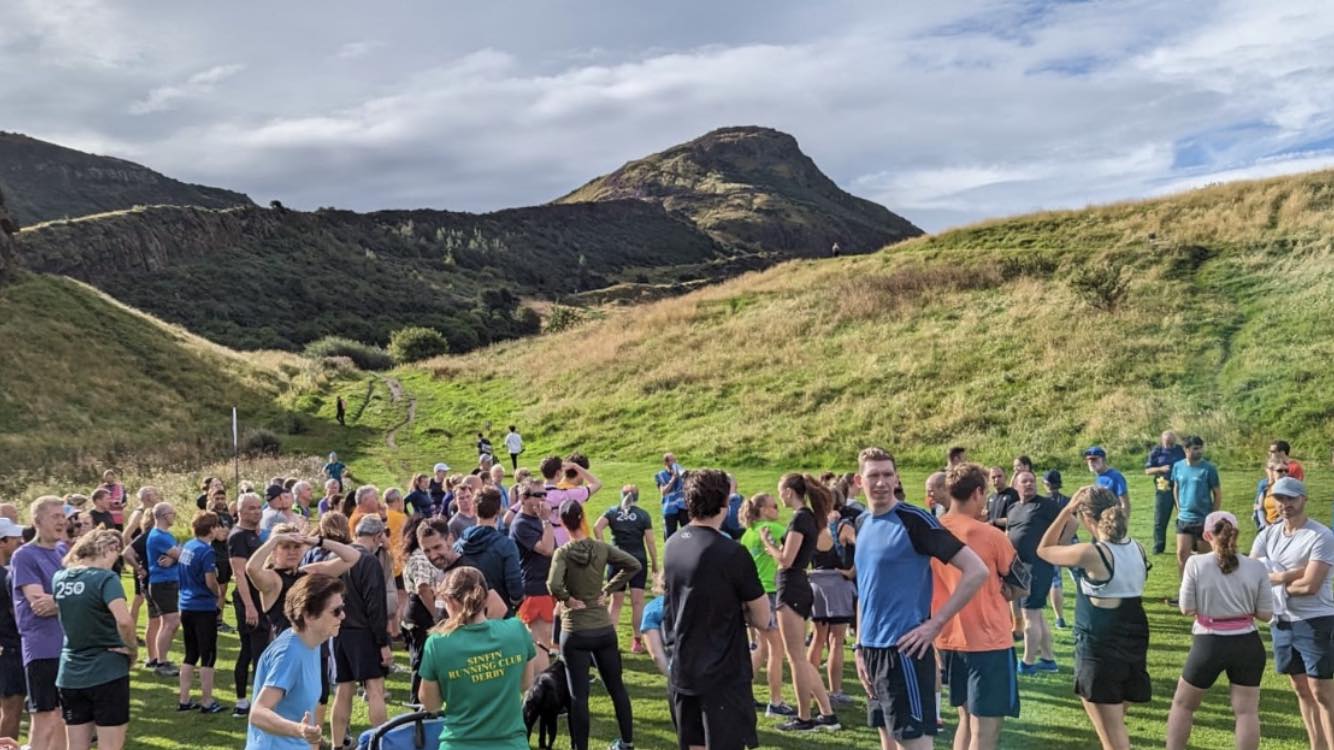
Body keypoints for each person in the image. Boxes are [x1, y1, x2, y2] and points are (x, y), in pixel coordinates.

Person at [852, 448, 987, 750]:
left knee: (914, 744)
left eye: (888, 474)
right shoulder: (861, 523)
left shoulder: (914, 520)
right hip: (871, 652)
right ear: (859, 481)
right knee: (889, 742)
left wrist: (935, 624)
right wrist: (860, 646)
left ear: (896, 477)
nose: (881, 482)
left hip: (905, 651)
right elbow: (865, 589)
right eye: (873, 475)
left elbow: (976, 571)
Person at [662, 469, 773, 750]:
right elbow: (763, 616)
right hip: (722, 675)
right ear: (725, 503)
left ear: (688, 501)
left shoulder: (672, 544)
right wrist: (740, 610)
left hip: (683, 668)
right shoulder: (732, 552)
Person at [1037, 485, 1150, 750]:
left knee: (1113, 737)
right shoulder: (1139, 548)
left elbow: (1044, 550)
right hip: (1134, 640)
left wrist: (1066, 509)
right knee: (1114, 726)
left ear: (1087, 519)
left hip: (1101, 646)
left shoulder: (1091, 553)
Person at [1166, 511, 1272, 750]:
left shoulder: (1195, 563)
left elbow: (1186, 608)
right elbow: (1266, 614)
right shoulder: (1256, 567)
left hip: (1209, 643)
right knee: (1246, 712)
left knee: (1183, 705)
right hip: (1247, 642)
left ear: (1206, 535)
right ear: (1236, 533)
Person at [933, 463, 1021, 750]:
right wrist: (1001, 589)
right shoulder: (991, 535)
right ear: (978, 493)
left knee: (965, 720)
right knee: (986, 730)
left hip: (948, 639)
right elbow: (1022, 584)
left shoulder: (932, 531)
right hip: (989, 641)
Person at [547, 501, 641, 750]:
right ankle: (627, 742)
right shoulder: (601, 547)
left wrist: (568, 599)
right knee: (616, 688)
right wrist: (607, 589)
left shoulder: (563, 553)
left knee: (579, 696)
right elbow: (634, 564)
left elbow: (553, 585)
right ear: (582, 518)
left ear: (564, 523)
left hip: (575, 631)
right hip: (602, 628)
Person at [1249, 476, 1334, 750]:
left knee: (1322, 692)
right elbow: (1252, 574)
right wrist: (1289, 575)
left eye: (1291, 498)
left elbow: (1311, 585)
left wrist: (1277, 580)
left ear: (1304, 499)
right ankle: (1317, 745)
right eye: (1279, 498)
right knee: (1300, 687)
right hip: (1282, 621)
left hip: (1315, 620)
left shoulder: (1320, 535)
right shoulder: (1268, 534)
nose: (1284, 504)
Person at [419, 567, 537, 750]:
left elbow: (431, 704)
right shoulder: (517, 630)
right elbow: (525, 683)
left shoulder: (437, 643)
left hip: (459, 744)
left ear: (450, 601)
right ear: (486, 597)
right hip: (511, 744)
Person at [759, 473, 840, 732]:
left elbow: (786, 560)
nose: (779, 496)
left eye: (780, 491)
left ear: (788, 492)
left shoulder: (800, 518)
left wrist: (768, 544)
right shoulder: (809, 518)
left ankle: (804, 717)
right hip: (798, 586)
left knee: (796, 659)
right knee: (800, 658)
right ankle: (827, 714)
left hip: (791, 587)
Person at [52, 529, 135, 750]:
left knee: (76, 746)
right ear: (109, 549)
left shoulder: (60, 578)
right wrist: (131, 649)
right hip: (106, 670)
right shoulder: (106, 578)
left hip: (70, 673)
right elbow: (124, 621)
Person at [245, 573, 345, 750]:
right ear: (309, 616)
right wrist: (299, 729)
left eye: (342, 608)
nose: (343, 615)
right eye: (336, 611)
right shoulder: (289, 654)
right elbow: (258, 714)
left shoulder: (313, 643)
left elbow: (305, 711)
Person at [11, 497, 68, 750]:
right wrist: (72, 599)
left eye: (62, 516)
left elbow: (60, 600)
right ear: (37, 521)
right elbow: (39, 604)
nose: (62, 521)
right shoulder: (24, 555)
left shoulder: (63, 551)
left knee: (65, 717)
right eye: (55, 516)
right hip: (42, 647)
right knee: (46, 717)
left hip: (68, 646)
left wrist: (60, 600)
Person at [330, 515, 391, 750]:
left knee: (344, 690)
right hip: (364, 632)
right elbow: (375, 606)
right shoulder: (369, 561)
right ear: (376, 536)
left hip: (338, 631)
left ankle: (338, 744)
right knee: (375, 690)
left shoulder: (337, 557)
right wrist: (383, 642)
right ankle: (382, 744)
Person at [737, 493, 794, 716]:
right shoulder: (774, 529)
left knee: (760, 648)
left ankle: (743, 694)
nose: (777, 510)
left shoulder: (747, 535)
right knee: (776, 649)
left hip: (753, 594)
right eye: (774, 506)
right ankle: (776, 702)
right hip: (771, 591)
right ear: (762, 510)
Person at [808, 489, 858, 708]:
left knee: (817, 638)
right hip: (838, 583)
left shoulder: (810, 525)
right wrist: (852, 572)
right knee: (836, 641)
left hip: (816, 583)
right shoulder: (844, 526)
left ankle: (809, 686)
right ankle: (835, 691)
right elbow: (864, 549)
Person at [1006, 470, 1060, 675]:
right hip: (1019, 567)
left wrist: (1056, 547)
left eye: (1031, 481)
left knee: (1030, 615)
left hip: (1038, 566)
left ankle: (1027, 663)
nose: (1029, 484)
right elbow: (1009, 532)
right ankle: (1048, 660)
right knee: (1037, 615)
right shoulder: (1013, 507)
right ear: (1016, 486)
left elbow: (1071, 523)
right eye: (1024, 481)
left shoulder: (1046, 505)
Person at [594, 486, 658, 654]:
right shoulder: (643, 515)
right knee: (637, 602)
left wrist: (604, 547)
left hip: (617, 560)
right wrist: (655, 563)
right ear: (637, 497)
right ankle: (637, 642)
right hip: (638, 561)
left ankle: (610, 642)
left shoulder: (613, 512)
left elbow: (597, 527)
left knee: (615, 603)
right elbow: (650, 541)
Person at [176, 512, 225, 713]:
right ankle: (207, 700)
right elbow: (209, 580)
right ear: (211, 529)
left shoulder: (188, 546)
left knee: (190, 654)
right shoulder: (207, 551)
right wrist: (217, 595)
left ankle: (184, 699)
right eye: (217, 526)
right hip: (202, 607)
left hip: (186, 605)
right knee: (208, 655)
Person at [229, 492, 269, 717]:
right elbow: (239, 573)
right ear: (241, 512)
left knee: (252, 650)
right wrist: (250, 606)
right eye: (251, 508)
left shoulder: (256, 534)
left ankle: (247, 702)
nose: (256, 511)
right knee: (254, 651)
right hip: (249, 600)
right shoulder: (238, 537)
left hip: (260, 596)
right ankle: (249, 702)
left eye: (258, 507)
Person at [510, 483, 557, 674]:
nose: (543, 500)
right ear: (523, 498)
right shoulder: (521, 523)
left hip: (544, 586)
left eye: (545, 495)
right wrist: (547, 521)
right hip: (534, 588)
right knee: (540, 642)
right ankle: (540, 688)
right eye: (538, 495)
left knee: (543, 641)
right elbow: (546, 549)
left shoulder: (536, 519)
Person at [454, 487, 523, 617]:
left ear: (474, 509)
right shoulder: (506, 545)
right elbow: (515, 589)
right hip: (500, 613)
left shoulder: (458, 545)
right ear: (498, 511)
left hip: (467, 613)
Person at [1171, 436, 1222, 591]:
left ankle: (1204, 588)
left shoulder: (1209, 469)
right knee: (1181, 554)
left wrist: (1212, 516)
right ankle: (1185, 588)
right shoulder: (1178, 466)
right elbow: (1176, 487)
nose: (1199, 451)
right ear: (1186, 450)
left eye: (1200, 448)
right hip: (1184, 519)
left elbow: (1217, 494)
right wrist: (1179, 508)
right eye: (1195, 448)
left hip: (1203, 519)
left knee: (1204, 557)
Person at [146, 502, 183, 678]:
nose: (174, 515)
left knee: (169, 623)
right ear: (163, 515)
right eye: (172, 513)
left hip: (168, 582)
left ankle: (163, 658)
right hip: (163, 584)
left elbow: (178, 554)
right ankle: (161, 662)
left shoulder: (165, 535)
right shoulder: (158, 536)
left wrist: (174, 558)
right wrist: (176, 556)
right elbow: (184, 555)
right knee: (171, 622)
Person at [0, 518, 26, 741]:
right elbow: (16, 614)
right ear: (2, 542)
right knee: (12, 710)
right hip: (9, 649)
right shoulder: (4, 576)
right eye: (14, 537)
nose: (19, 540)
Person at [539, 457, 602, 546]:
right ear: (557, 473)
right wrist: (575, 466)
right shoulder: (568, 494)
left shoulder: (535, 494)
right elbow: (597, 484)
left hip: (543, 538)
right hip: (565, 540)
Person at [1145, 431, 1185, 555]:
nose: (1169, 445)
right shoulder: (1156, 451)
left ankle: (1190, 543)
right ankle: (1159, 546)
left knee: (1185, 514)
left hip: (1181, 484)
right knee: (1161, 517)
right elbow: (1147, 471)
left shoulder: (1181, 450)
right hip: (1164, 484)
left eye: (1171, 443)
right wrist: (1160, 469)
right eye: (1167, 443)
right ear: (1162, 441)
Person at [1043, 470, 1071, 629]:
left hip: (1052, 543)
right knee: (1079, 577)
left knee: (1055, 582)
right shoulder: (1067, 500)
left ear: (1046, 484)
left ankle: (1059, 618)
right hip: (1070, 541)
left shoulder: (1043, 502)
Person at [1083, 446, 1131, 519]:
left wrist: (1123, 522)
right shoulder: (1099, 477)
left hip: (1114, 519)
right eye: (1088, 460)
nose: (1091, 463)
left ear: (1103, 460)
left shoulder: (1115, 476)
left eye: (1094, 459)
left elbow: (1124, 503)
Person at [656, 453, 687, 538]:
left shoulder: (681, 472)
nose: (675, 463)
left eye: (675, 460)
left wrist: (685, 476)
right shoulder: (661, 475)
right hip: (669, 508)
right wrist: (673, 478)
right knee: (670, 534)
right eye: (672, 461)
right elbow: (663, 492)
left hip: (683, 506)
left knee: (688, 532)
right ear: (666, 463)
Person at [1253, 458, 1288, 529]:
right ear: (1273, 472)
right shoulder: (1266, 490)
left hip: (1283, 527)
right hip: (1266, 528)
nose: (1284, 473)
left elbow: (1290, 511)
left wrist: (1274, 524)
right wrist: (1265, 525)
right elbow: (1260, 508)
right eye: (1280, 471)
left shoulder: (1290, 490)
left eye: (1286, 471)